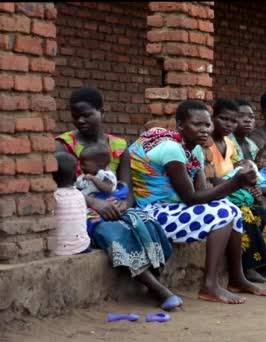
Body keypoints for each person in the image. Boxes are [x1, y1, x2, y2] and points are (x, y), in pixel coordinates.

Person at [129, 100, 266, 304]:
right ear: (180, 126)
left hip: (175, 209)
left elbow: (203, 193)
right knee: (223, 213)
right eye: (197, 125)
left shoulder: (194, 149)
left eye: (207, 125)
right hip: (154, 213)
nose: (204, 130)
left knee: (232, 209)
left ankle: (237, 278)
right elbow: (191, 197)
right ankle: (209, 285)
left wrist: (235, 185)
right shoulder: (172, 149)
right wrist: (236, 182)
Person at [55, 87, 180, 311]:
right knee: (111, 233)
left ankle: (156, 275)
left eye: (87, 114)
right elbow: (62, 187)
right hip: (81, 207)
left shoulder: (119, 147)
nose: (80, 120)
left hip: (114, 205)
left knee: (145, 222)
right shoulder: (63, 145)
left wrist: (125, 204)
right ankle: (157, 289)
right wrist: (93, 202)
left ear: (103, 112)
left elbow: (127, 187)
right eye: (75, 115)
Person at [204, 98, 266, 283]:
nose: (229, 124)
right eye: (223, 119)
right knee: (245, 215)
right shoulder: (206, 143)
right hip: (217, 194)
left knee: (264, 214)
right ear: (213, 118)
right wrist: (239, 183)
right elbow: (210, 177)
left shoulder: (229, 143)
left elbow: (238, 168)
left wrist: (252, 186)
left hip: (234, 190)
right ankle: (248, 268)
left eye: (233, 120)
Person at [52, 152, 91, 256]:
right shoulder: (80, 195)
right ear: (74, 176)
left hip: (59, 250)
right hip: (83, 247)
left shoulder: (53, 197)